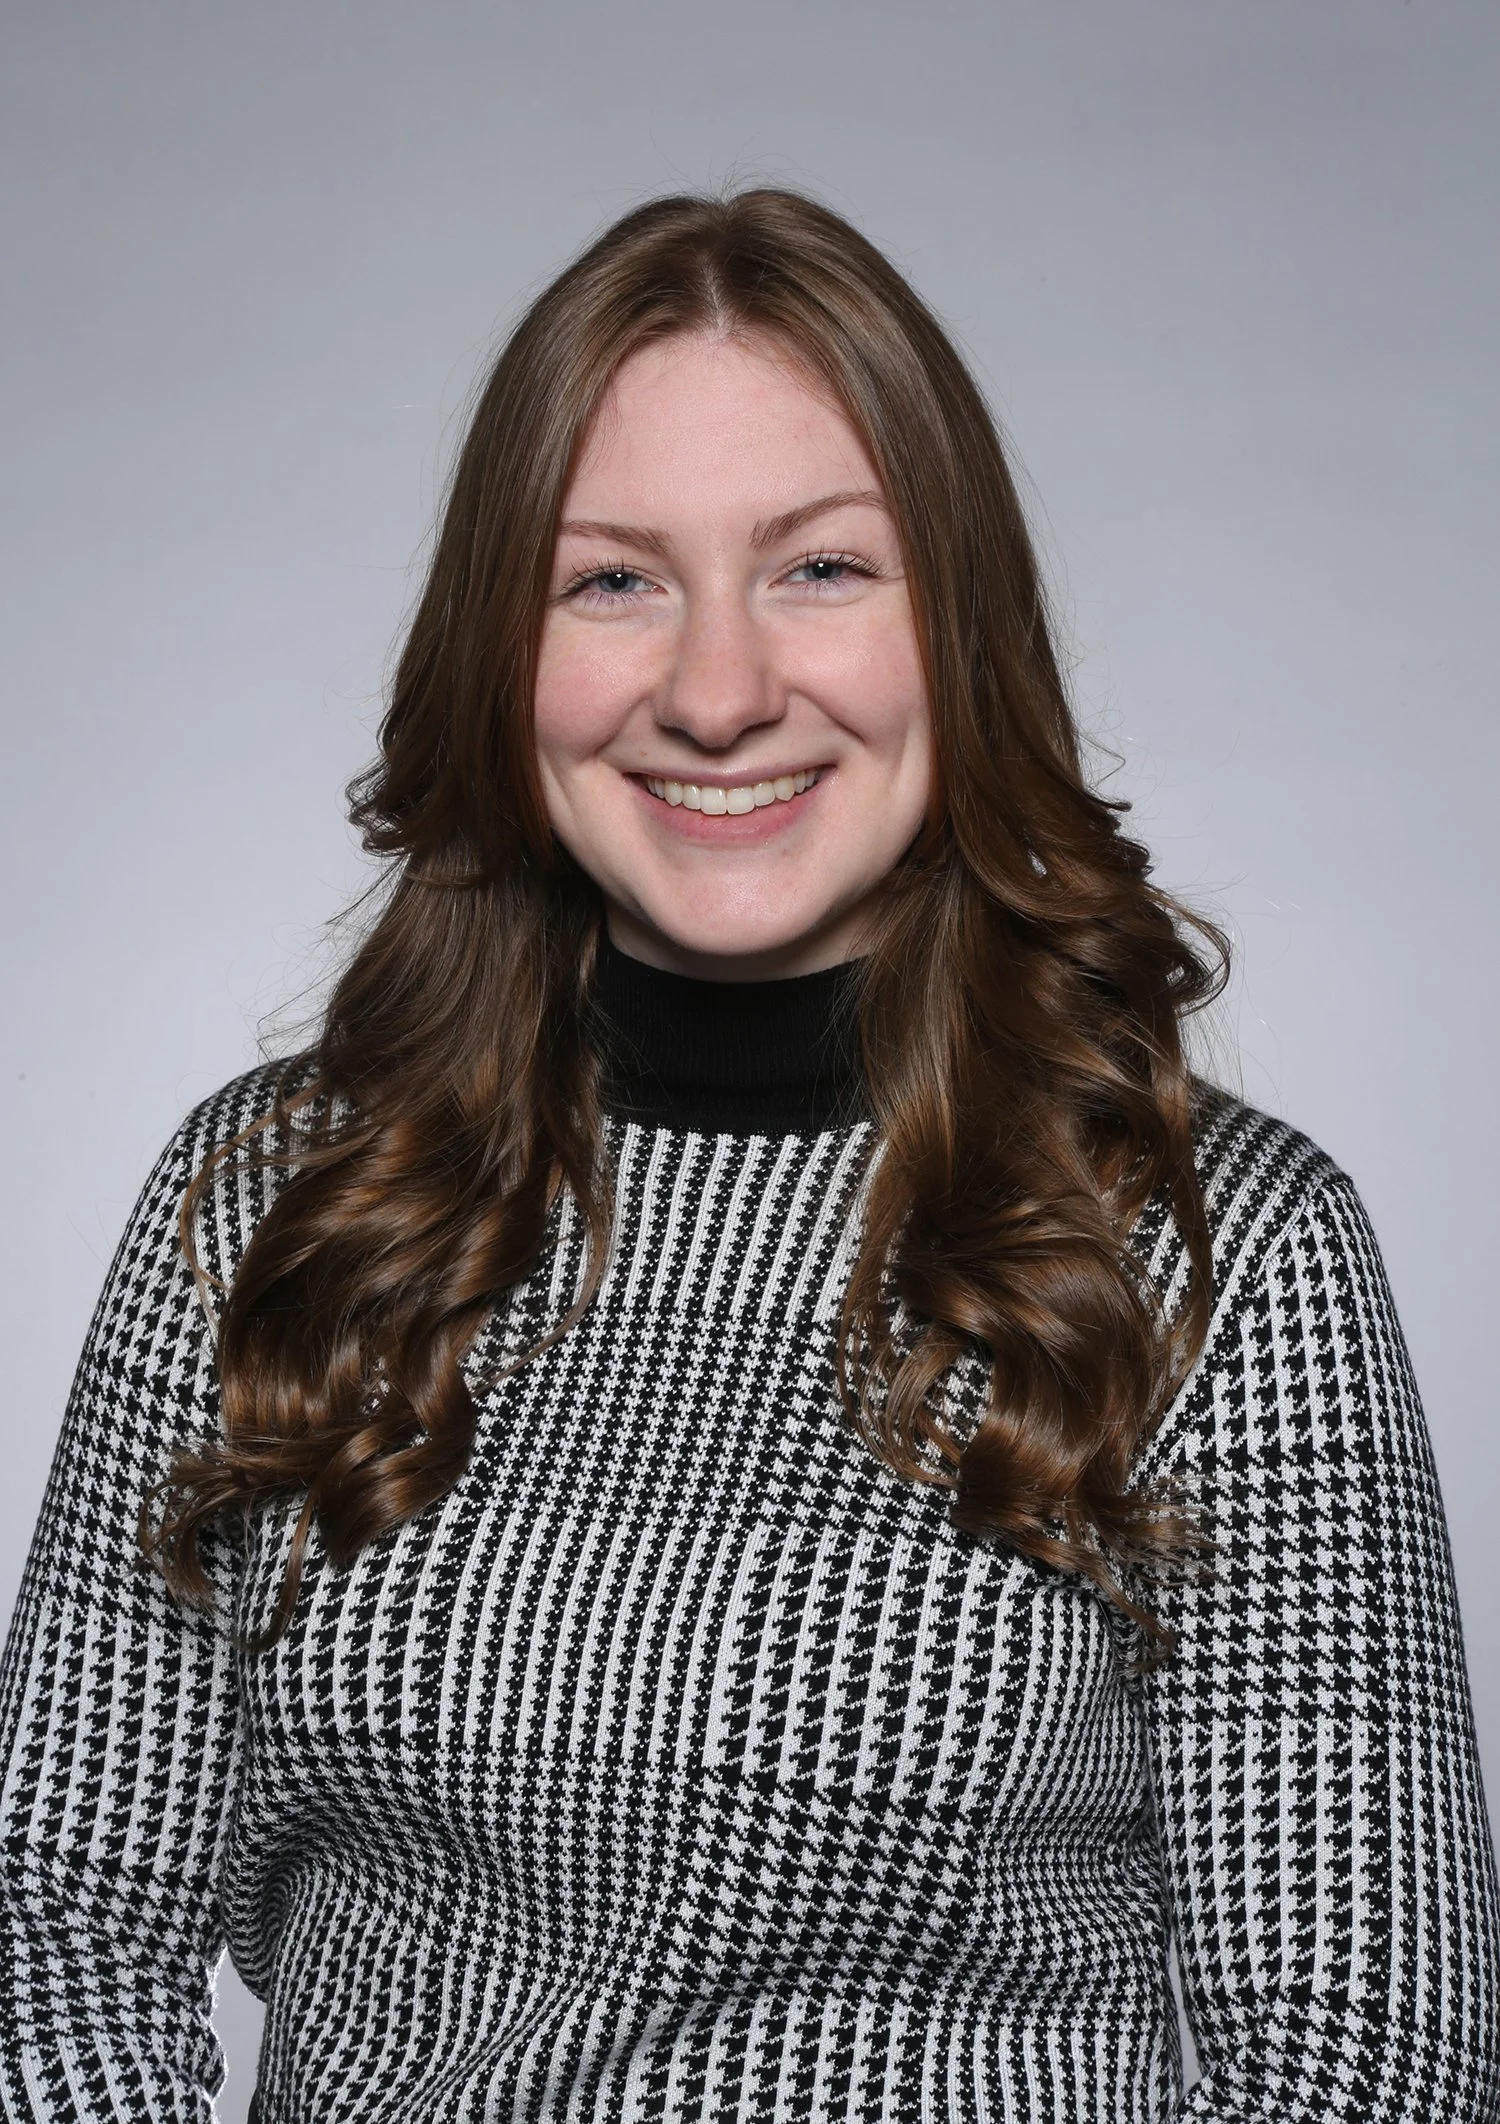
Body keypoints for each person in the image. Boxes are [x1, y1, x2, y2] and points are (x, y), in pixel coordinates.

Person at [0, 188, 1495, 2124]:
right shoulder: (271, 1204)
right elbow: (49, 1935)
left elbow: (1363, 2058)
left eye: (820, 571)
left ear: (958, 629)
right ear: (495, 646)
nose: (715, 693)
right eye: (610, 581)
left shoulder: (1221, 1249)